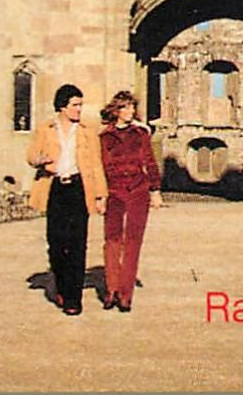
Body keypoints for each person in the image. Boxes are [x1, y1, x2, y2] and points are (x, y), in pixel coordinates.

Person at [26, 83, 107, 315]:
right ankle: (61, 285)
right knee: (56, 242)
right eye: (75, 105)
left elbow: (95, 165)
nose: (79, 109)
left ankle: (73, 299)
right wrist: (40, 159)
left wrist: (101, 196)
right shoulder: (46, 129)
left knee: (77, 243)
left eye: (80, 105)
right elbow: (31, 155)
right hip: (55, 189)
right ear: (62, 106)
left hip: (78, 188)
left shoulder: (87, 131)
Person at [98, 90, 161, 312]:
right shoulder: (104, 137)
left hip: (138, 190)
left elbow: (150, 161)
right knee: (112, 240)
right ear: (116, 110)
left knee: (133, 240)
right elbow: (101, 167)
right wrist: (100, 195)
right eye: (126, 107)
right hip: (114, 192)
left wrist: (155, 190)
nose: (130, 111)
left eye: (133, 107)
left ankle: (126, 295)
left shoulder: (140, 134)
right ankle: (112, 289)